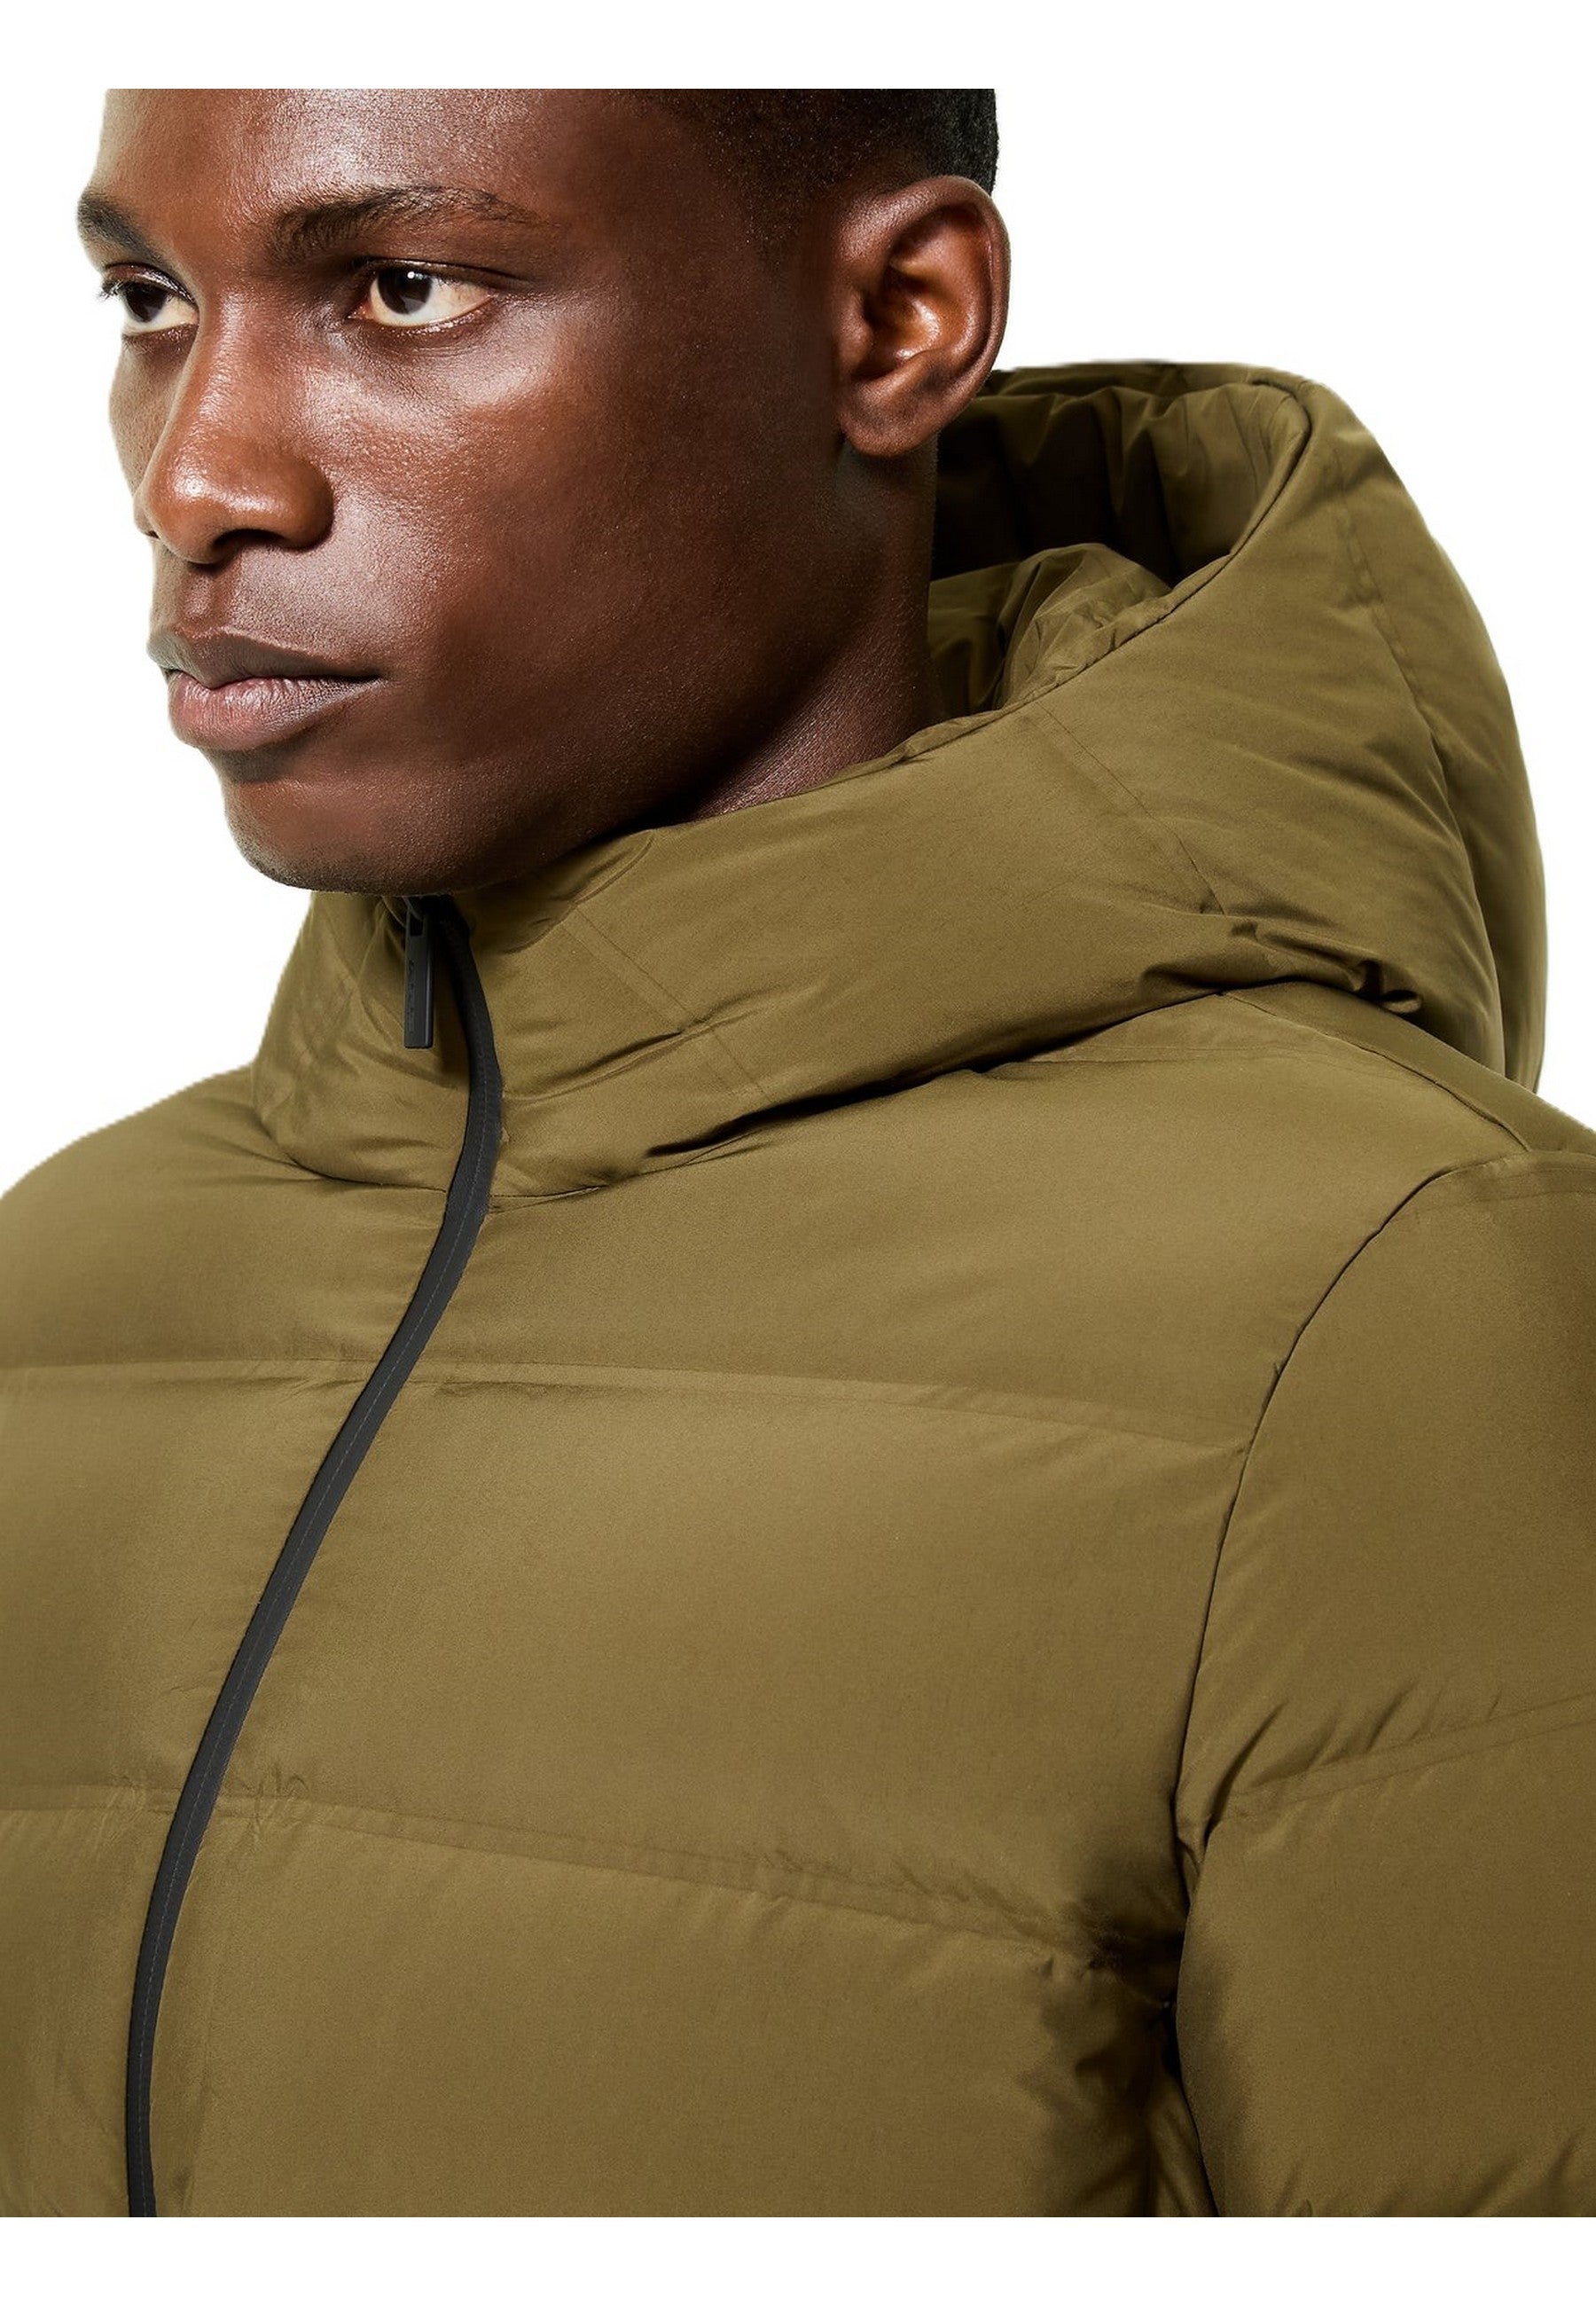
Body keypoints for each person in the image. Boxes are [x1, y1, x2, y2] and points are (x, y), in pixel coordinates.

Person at [0, 86, 1591, 2221]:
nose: (198, 477)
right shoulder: (60, 1292)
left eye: (404, 288)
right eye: (148, 304)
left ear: (898, 322)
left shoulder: (1399, 1304)